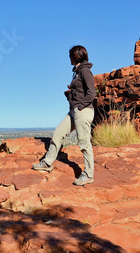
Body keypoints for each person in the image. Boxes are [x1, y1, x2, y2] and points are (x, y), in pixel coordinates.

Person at [32, 45, 96, 186]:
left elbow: (92, 93)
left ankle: (89, 174)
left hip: (82, 111)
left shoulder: (85, 71)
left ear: (75, 56)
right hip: (74, 111)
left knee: (84, 143)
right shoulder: (77, 71)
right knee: (58, 134)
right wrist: (71, 94)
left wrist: (80, 105)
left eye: (70, 56)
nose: (69, 58)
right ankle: (47, 163)